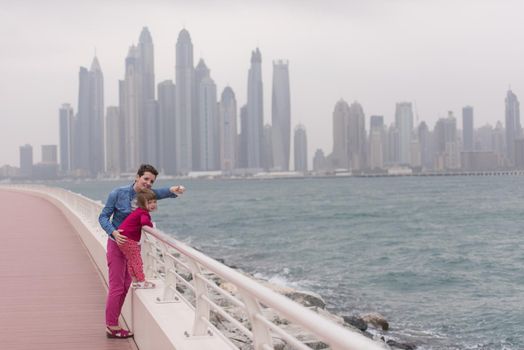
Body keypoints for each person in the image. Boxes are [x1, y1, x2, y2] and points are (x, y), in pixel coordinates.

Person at [99, 164, 185, 339]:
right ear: (137, 177)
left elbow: (159, 193)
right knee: (116, 286)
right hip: (116, 244)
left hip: (132, 246)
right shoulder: (118, 193)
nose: (148, 183)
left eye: (151, 181)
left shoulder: (146, 195)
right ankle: (111, 326)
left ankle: (114, 322)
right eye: (145, 179)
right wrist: (113, 232)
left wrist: (173, 189)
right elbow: (103, 216)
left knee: (125, 285)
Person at [118, 188, 157, 289]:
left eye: (154, 202)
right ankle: (142, 281)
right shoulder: (143, 213)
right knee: (137, 260)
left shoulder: (138, 211)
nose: (153, 204)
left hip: (123, 237)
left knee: (131, 260)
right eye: (149, 202)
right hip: (128, 239)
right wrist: (150, 224)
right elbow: (144, 222)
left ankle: (135, 281)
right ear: (142, 204)